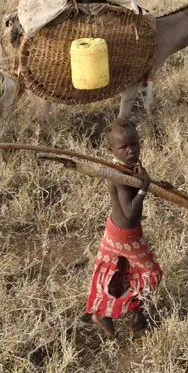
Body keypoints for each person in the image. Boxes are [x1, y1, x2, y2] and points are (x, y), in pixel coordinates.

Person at [41, 120, 163, 338]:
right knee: (150, 275)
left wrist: (155, 184)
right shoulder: (117, 176)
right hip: (125, 235)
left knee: (123, 274)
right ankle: (131, 314)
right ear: (111, 150)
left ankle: (121, 316)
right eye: (123, 147)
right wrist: (144, 188)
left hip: (118, 231)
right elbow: (131, 214)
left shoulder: (127, 167)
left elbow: (140, 182)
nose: (131, 150)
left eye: (134, 144)